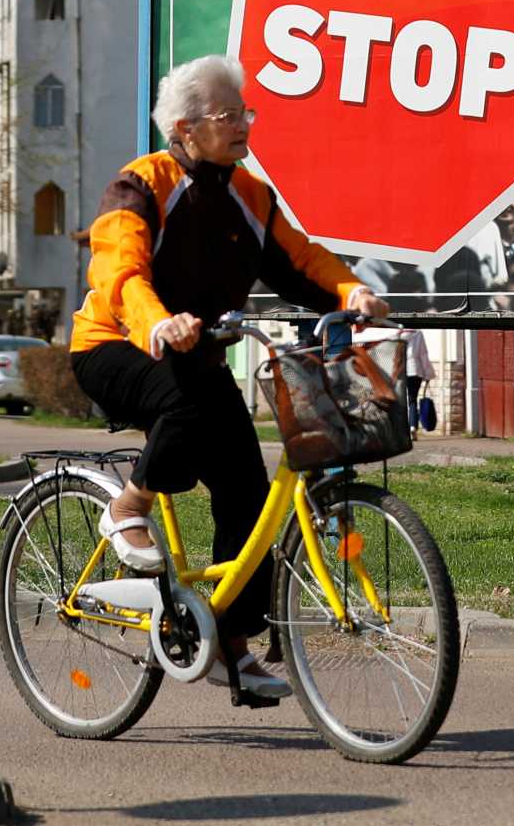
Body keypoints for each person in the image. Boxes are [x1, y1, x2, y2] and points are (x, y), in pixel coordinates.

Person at [70, 54, 389, 698]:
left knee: (245, 484)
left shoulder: (249, 197)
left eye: (245, 112)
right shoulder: (140, 185)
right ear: (185, 128)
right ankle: (126, 508)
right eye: (226, 114)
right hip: (114, 345)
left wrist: (351, 292)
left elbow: (302, 261)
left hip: (194, 358)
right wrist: (158, 321)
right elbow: (120, 271)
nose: (243, 123)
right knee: (185, 404)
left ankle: (234, 649)